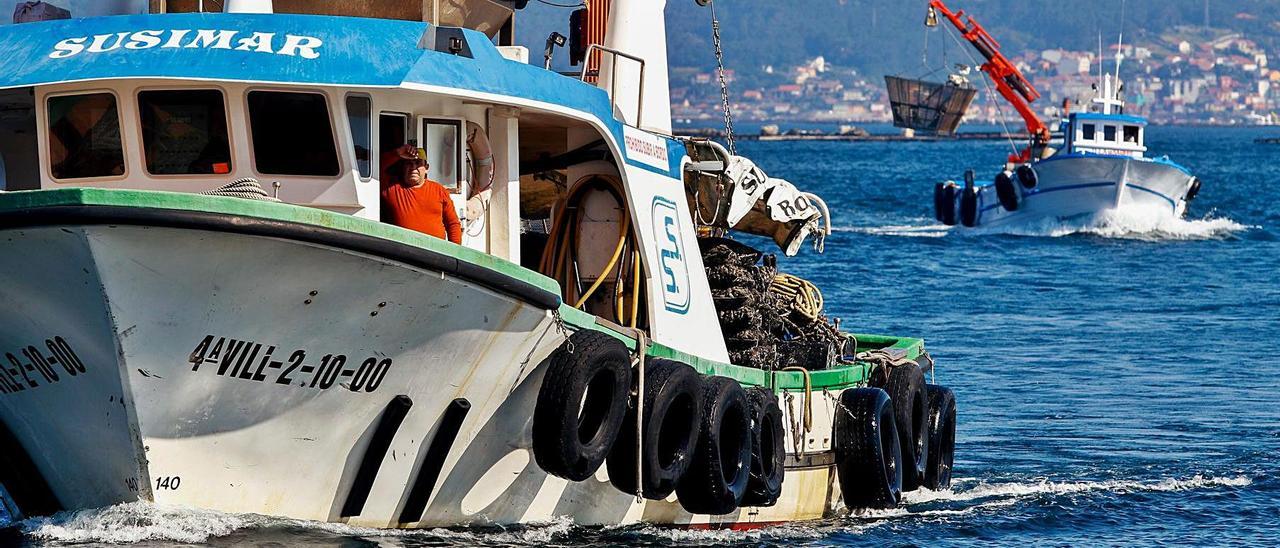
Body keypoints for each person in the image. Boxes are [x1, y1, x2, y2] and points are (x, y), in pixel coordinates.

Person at [380, 144, 462, 244]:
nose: (413, 167)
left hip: (435, 254)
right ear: (403, 167)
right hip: (403, 255)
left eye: (418, 163)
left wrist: (454, 254)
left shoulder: (439, 190)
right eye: (408, 163)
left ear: (426, 168)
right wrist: (397, 153)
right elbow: (376, 167)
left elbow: (453, 224)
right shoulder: (391, 188)